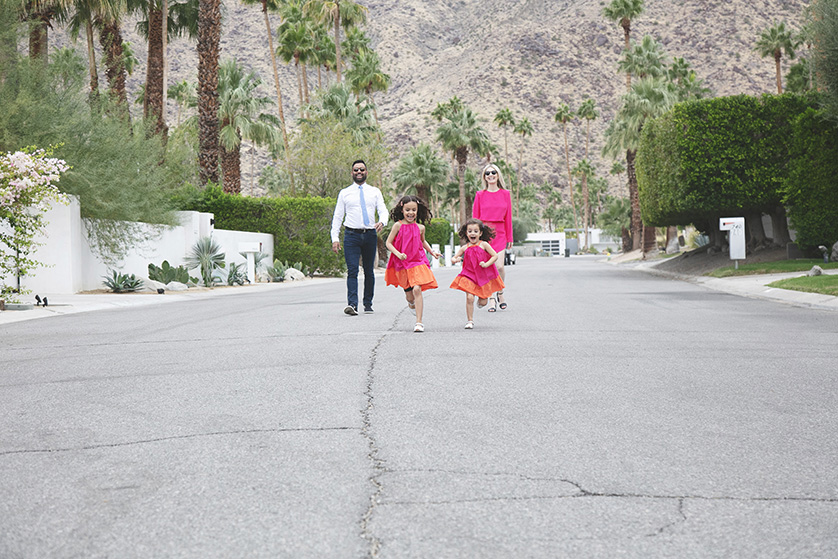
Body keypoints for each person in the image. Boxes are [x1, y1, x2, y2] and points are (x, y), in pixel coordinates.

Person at [331, 159, 388, 315]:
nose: (359, 172)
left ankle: (368, 303)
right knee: (352, 270)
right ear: (352, 173)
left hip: (370, 234)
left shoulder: (375, 192)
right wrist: (334, 238)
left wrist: (382, 221)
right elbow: (337, 216)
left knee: (369, 270)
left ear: (366, 172)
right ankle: (352, 305)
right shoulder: (345, 193)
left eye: (362, 170)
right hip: (351, 235)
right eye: (356, 170)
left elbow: (383, 210)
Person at [384, 195, 441, 333]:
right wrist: (398, 254)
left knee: (417, 289)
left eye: (414, 210)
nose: (411, 213)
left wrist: (432, 252)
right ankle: (411, 303)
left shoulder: (420, 227)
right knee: (410, 295)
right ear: (402, 209)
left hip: (418, 261)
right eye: (407, 209)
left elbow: (422, 242)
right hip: (402, 262)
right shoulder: (398, 225)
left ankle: (419, 322)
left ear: (417, 210)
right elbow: (388, 243)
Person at [472, 163, 513, 312]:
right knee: (489, 266)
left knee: (500, 266)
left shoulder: (505, 194)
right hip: (485, 234)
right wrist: (475, 238)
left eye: (493, 172)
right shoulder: (479, 195)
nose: (490, 175)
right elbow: (475, 218)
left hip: (500, 233)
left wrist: (510, 237)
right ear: (484, 177)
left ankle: (500, 293)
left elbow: (508, 217)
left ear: (498, 175)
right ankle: (491, 298)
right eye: (487, 173)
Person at [450, 218, 505, 330]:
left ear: (480, 233)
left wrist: (486, 264)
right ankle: (470, 320)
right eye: (470, 231)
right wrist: (455, 260)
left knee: (483, 301)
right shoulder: (465, 247)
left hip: (482, 276)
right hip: (468, 275)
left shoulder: (484, 245)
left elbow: (495, 256)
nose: (472, 233)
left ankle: (481, 302)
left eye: (475, 231)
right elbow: (454, 257)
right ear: (466, 233)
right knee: (469, 298)